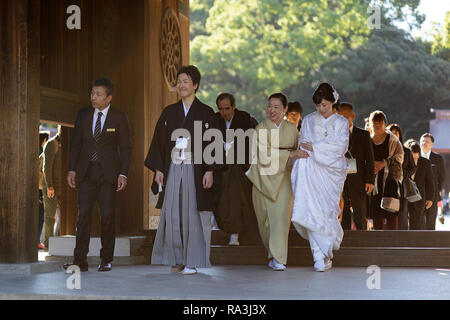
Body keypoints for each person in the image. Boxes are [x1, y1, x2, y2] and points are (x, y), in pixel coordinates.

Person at [145, 65, 219, 275]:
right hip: (173, 167)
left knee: (193, 213)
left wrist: (210, 170)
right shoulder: (169, 112)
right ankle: (177, 258)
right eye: (179, 82)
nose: (181, 85)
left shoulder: (206, 112)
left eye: (186, 81)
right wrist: (159, 169)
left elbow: (212, 143)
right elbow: (159, 143)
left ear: (195, 85)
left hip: (196, 169)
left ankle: (192, 260)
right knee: (174, 212)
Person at [65, 78, 132, 272]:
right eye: (92, 93)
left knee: (107, 216)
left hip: (108, 175)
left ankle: (106, 259)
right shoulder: (83, 115)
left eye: (98, 94)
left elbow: (126, 148)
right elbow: (75, 144)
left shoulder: (119, 118)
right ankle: (80, 261)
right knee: (83, 216)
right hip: (86, 173)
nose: (93, 97)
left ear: (109, 97)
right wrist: (72, 169)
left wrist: (123, 174)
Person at [291, 83, 349, 272]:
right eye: (318, 106)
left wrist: (315, 147)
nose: (321, 109)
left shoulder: (341, 122)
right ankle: (318, 257)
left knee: (326, 212)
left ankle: (323, 255)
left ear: (333, 102)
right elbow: (303, 143)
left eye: (324, 105)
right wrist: (313, 147)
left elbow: (339, 148)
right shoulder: (307, 120)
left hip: (330, 174)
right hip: (310, 173)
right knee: (311, 211)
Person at [246, 93, 300, 271]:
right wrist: (290, 154)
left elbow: (299, 151)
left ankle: (279, 258)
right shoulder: (260, 128)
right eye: (270, 106)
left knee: (281, 219)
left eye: (277, 107)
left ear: (285, 109)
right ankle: (272, 252)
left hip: (283, 177)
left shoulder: (292, 129)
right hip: (262, 178)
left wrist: (295, 155)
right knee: (265, 221)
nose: (272, 110)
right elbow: (262, 154)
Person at [213, 93, 258, 246]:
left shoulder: (246, 119)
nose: (224, 113)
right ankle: (230, 230)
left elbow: (254, 143)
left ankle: (235, 233)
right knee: (222, 201)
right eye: (221, 109)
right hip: (220, 168)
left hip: (240, 168)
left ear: (234, 106)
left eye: (227, 108)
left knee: (237, 199)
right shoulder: (215, 120)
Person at [338, 103, 375, 230]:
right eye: (340, 117)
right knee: (344, 214)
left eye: (346, 117)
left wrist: (370, 180)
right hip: (340, 180)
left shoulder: (363, 135)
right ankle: (345, 244)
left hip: (358, 180)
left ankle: (363, 243)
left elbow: (370, 160)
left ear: (352, 116)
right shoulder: (333, 135)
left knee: (359, 213)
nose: (343, 120)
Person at [368, 111, 404, 230]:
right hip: (373, 180)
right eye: (374, 123)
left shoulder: (392, 140)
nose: (377, 125)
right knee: (376, 210)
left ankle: (392, 239)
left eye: (380, 123)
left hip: (390, 180)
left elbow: (400, 156)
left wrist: (384, 163)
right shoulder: (367, 140)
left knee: (391, 210)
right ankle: (377, 238)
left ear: (385, 124)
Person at [387, 123, 416, 230]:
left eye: (396, 133)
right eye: (392, 133)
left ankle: (402, 234)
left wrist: (403, 173)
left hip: (402, 185)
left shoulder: (406, 151)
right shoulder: (385, 150)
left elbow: (413, 167)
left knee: (402, 210)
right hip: (388, 184)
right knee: (389, 209)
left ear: (400, 135)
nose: (394, 135)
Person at [42, 126, 62, 251]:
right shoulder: (51, 144)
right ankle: (48, 245)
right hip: (52, 187)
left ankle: (58, 244)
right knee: (49, 216)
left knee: (63, 217)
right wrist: (49, 185)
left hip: (63, 187)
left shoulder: (67, 144)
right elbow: (46, 167)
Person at [420, 133, 446, 230]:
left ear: (432, 144)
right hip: (418, 193)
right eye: (422, 141)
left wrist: (437, 191)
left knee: (431, 220)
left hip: (433, 194)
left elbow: (441, 177)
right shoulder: (415, 156)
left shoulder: (438, 158)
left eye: (427, 141)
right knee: (418, 220)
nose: (424, 143)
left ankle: (430, 243)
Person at [408, 142, 434, 229]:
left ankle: (418, 241)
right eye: (413, 157)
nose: (415, 160)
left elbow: (430, 181)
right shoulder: (404, 161)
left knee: (418, 221)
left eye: (416, 157)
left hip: (420, 196)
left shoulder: (425, 162)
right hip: (406, 196)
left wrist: (430, 198)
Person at [38, 131, 49, 250]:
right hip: (40, 187)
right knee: (41, 215)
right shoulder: (42, 152)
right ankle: (37, 241)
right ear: (44, 140)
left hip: (35, 187)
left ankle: (36, 240)